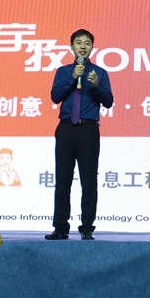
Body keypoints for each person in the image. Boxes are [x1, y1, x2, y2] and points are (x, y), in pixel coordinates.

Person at [45, 29, 114, 240]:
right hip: (66, 128)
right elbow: (55, 97)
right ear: (71, 47)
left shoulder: (99, 73)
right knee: (63, 180)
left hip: (89, 130)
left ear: (92, 47)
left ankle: (86, 228)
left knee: (89, 180)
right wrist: (72, 78)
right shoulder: (63, 71)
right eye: (78, 42)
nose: (83, 46)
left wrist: (97, 86)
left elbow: (108, 102)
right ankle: (60, 228)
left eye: (87, 43)